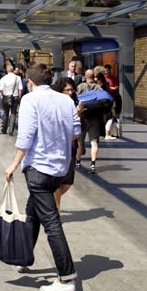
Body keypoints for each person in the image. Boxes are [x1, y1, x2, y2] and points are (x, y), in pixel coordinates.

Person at [5, 64, 81, 291]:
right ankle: (24, 257)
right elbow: (76, 131)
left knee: (51, 222)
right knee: (33, 212)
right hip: (59, 167)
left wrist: (14, 164)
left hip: (38, 168)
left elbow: (26, 135)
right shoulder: (66, 101)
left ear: (29, 81)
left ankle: (66, 278)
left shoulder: (30, 100)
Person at [52, 76, 83, 211]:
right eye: (67, 90)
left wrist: (78, 114)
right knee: (59, 182)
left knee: (68, 183)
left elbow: (77, 129)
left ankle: (49, 201)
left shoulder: (73, 103)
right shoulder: (55, 104)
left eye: (72, 90)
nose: (70, 93)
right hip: (59, 148)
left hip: (71, 147)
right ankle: (55, 211)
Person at [76, 69, 112, 174]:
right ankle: (92, 165)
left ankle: (78, 162)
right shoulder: (98, 88)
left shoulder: (81, 86)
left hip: (82, 118)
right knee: (94, 142)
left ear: (85, 76)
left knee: (80, 142)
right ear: (94, 77)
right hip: (95, 119)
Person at [0, 65, 22, 135]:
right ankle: (11, 131)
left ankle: (4, 129)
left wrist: (3, 95)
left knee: (5, 114)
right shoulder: (18, 78)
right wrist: (19, 97)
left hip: (6, 96)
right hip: (15, 97)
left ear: (7, 70)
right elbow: (20, 89)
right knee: (13, 113)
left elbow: (1, 89)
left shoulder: (3, 78)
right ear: (13, 70)